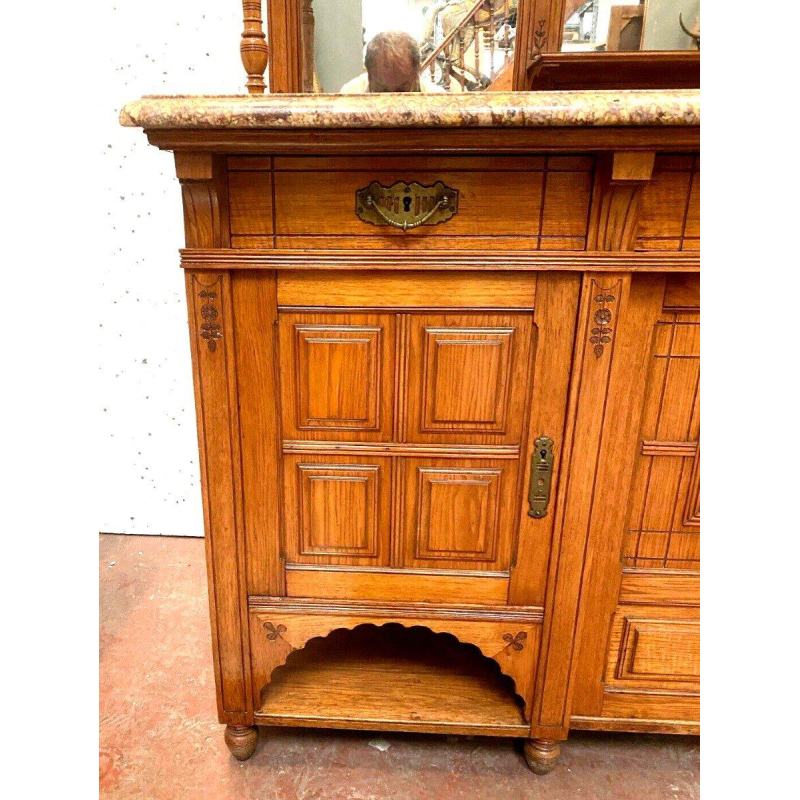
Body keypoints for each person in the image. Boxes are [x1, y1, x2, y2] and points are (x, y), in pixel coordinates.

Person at [340, 31, 445, 93]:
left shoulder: (439, 101)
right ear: (369, 74)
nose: (391, 100)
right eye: (382, 90)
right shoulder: (348, 97)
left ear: (417, 71)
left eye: (402, 90)